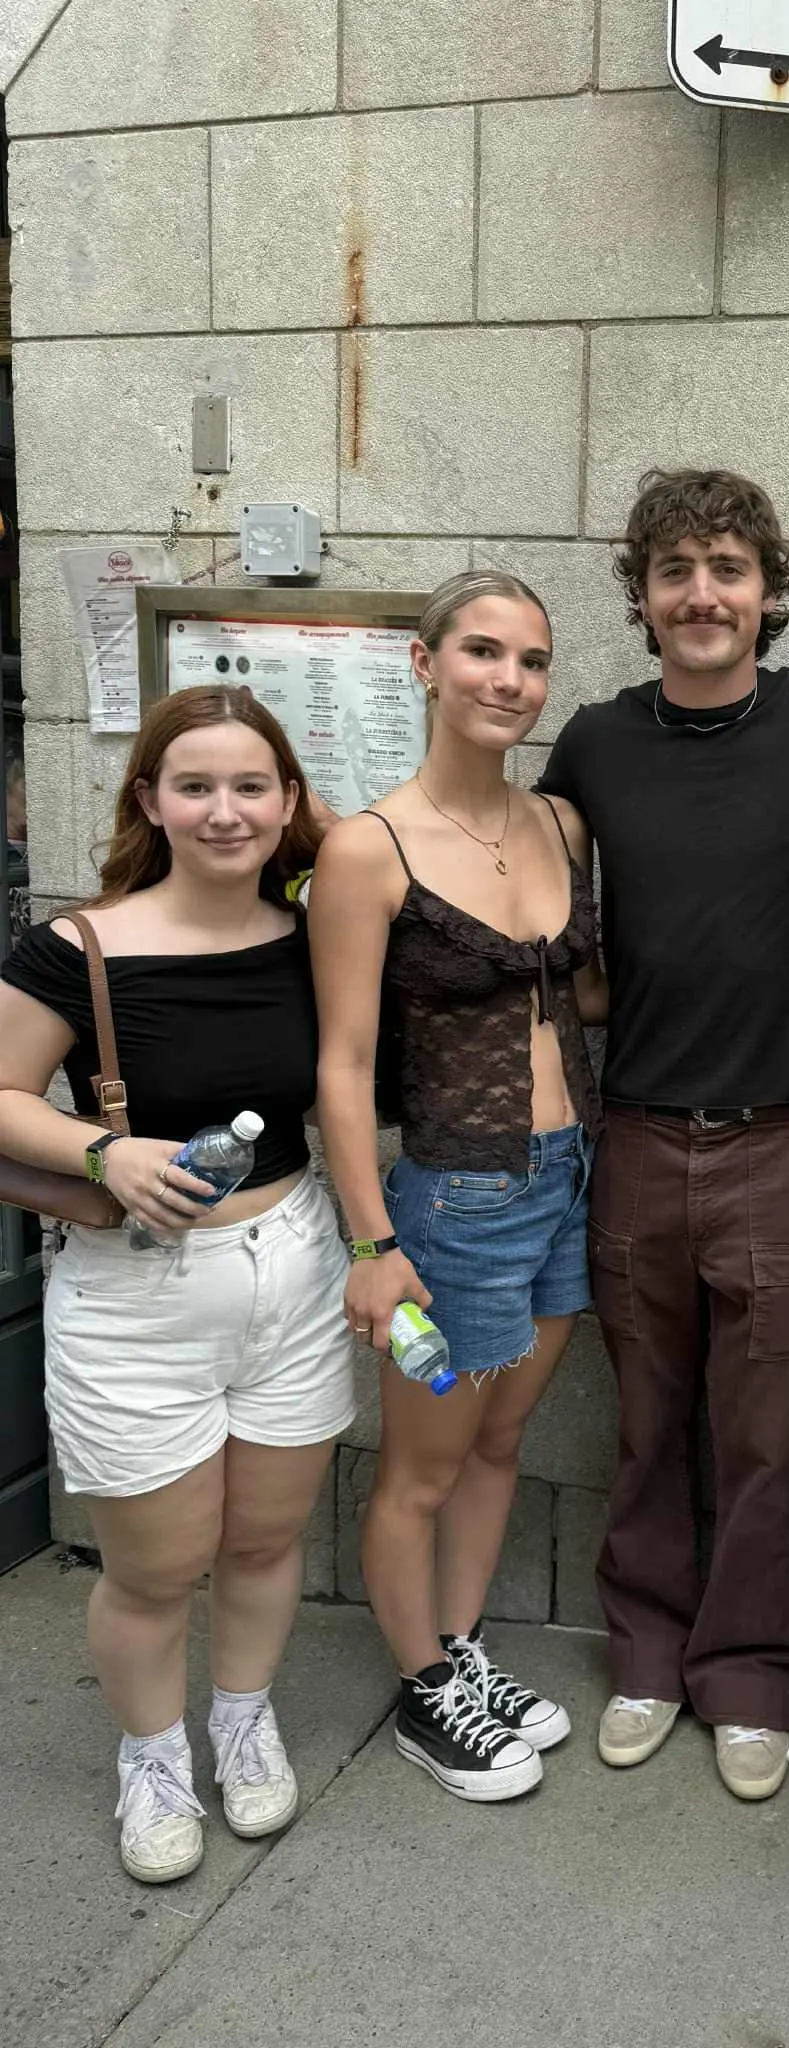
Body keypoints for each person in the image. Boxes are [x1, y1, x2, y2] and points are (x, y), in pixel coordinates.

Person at [537, 468, 789, 1801]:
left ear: (770, 591)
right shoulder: (590, 742)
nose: (703, 594)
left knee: (762, 1432)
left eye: (729, 568)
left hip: (773, 1140)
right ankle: (644, 1656)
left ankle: (749, 1677)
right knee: (647, 1420)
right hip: (632, 1134)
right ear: (641, 596)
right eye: (677, 569)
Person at [0, 686, 355, 1884]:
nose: (224, 810)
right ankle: (151, 1759)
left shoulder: (315, 932)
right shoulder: (77, 946)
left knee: (262, 1539)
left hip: (293, 1265)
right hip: (137, 1292)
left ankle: (241, 1722)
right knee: (155, 1566)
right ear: (148, 797)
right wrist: (105, 1149)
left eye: (251, 785)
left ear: (289, 800)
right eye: (193, 785)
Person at [310, 569, 604, 1804]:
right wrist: (374, 1243)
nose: (509, 680)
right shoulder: (366, 848)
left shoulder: (561, 825)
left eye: (531, 661)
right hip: (446, 1205)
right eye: (482, 652)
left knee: (498, 1439)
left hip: (566, 1183)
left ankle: (462, 1647)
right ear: (425, 664)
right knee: (423, 1462)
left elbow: (585, 1000)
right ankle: (426, 1691)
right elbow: (342, 1060)